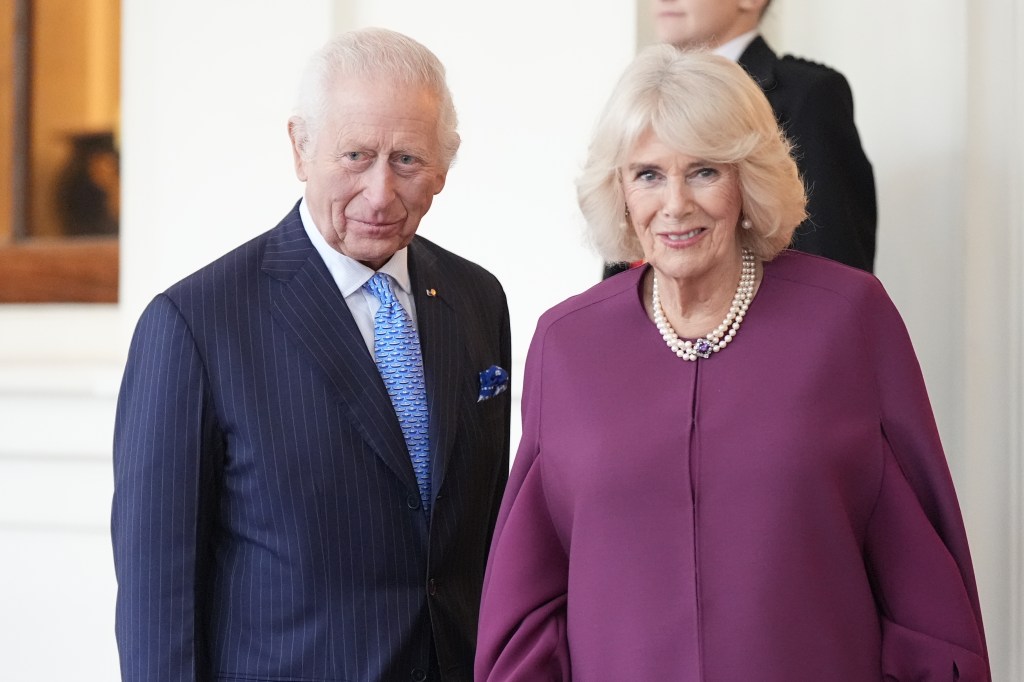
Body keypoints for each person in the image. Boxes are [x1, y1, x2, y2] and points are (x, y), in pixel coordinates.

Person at [475, 47, 988, 681]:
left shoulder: (848, 321)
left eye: (705, 172)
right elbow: (528, 603)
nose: (676, 204)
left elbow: (924, 588)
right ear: (620, 191)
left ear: (748, 180)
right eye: (648, 174)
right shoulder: (567, 345)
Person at [112, 28, 511, 682]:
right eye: (355, 155)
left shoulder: (476, 298)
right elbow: (160, 604)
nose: (381, 194)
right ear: (300, 148)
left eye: (407, 160)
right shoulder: (195, 324)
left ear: (446, 163)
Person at [604, 0, 876, 278]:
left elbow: (835, 273)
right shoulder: (638, 93)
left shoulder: (808, 96)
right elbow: (622, 256)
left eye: (705, 171)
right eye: (649, 174)